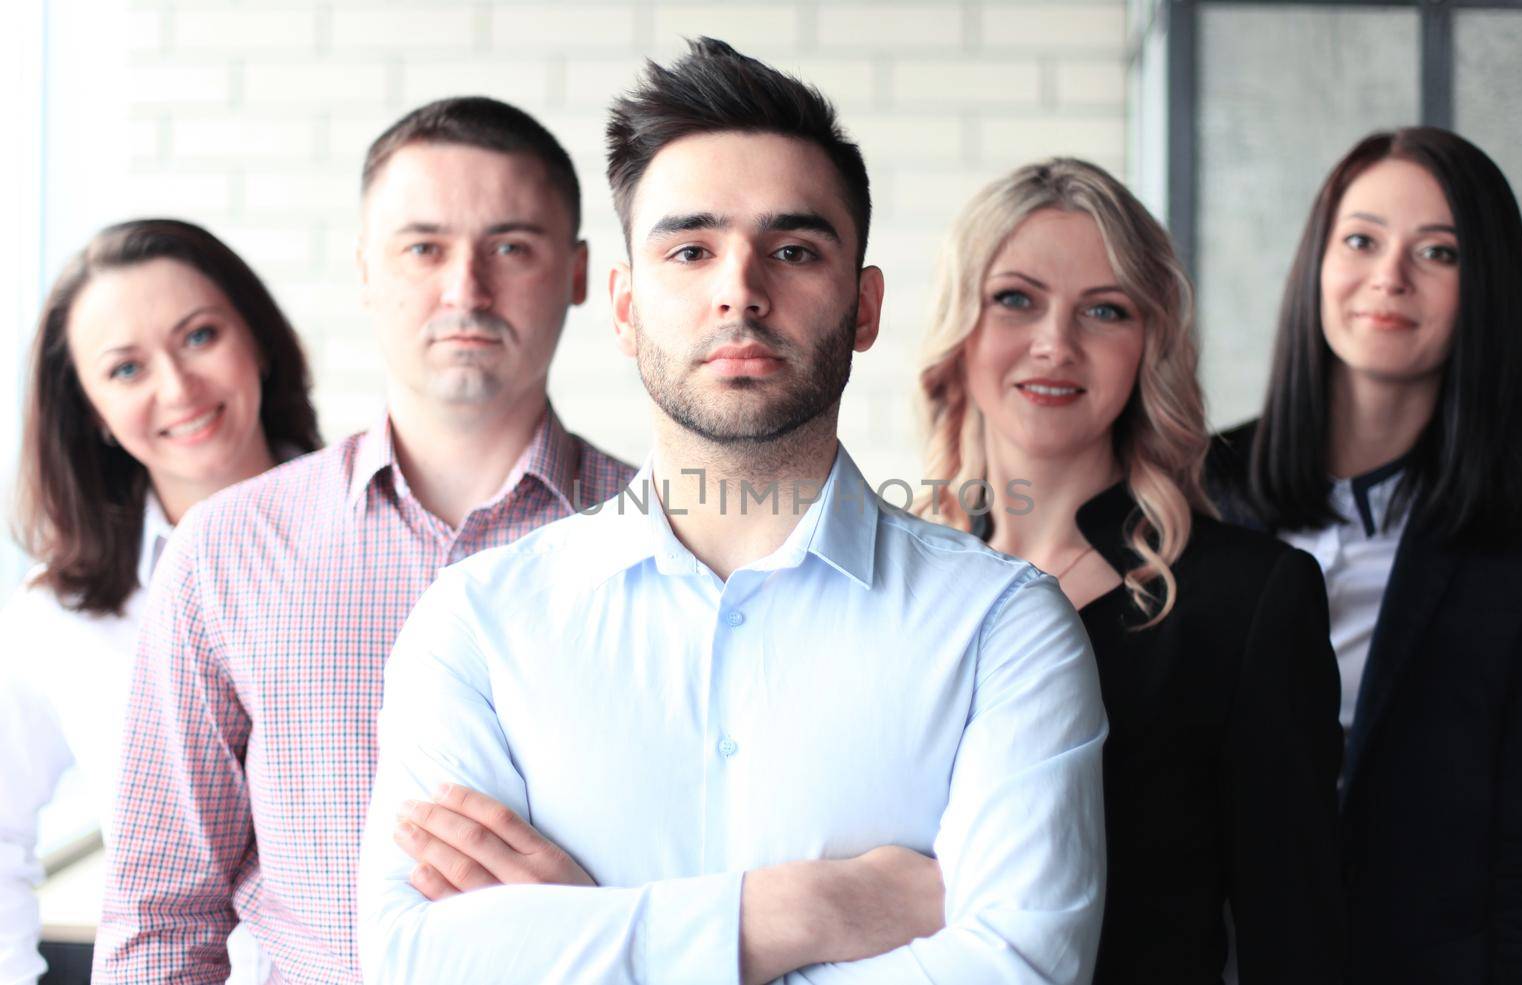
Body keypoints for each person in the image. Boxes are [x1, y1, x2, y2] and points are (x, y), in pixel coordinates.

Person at [358, 37, 1108, 984]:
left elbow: (1023, 970)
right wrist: (805, 911)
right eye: (691, 248)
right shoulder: (477, 624)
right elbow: (414, 962)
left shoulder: (1001, 626)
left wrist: (586, 935)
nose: (740, 292)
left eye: (793, 251)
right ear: (625, 308)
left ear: (865, 307)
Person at [94, 99, 632, 983]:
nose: (466, 288)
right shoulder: (228, 551)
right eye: (423, 248)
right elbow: (160, 917)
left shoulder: (669, 541)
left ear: (576, 272)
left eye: (512, 246)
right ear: (364, 270)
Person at [911, 157, 1344, 982]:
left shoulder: (1249, 598)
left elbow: (1295, 932)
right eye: (1016, 298)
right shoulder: (900, 579)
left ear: (1150, 344)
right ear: (960, 329)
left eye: (1104, 310)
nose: (1055, 343)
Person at [1206, 127, 1522, 984]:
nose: (1390, 276)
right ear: (1318, 262)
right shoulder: (1198, 485)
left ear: (1483, 287)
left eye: (1440, 251)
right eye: (1362, 240)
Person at [0, 218, 321, 984]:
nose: (178, 389)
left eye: (201, 336)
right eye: (126, 369)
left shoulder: (391, 535)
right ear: (90, 411)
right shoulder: (59, 615)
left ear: (259, 343)